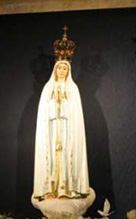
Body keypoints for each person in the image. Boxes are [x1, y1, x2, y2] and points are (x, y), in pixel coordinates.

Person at [32, 29, 90, 201]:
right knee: (50, 154)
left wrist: (63, 103)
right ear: (55, 70)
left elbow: (75, 114)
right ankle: (50, 189)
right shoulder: (47, 89)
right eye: (60, 68)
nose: (62, 71)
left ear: (68, 70)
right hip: (51, 128)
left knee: (66, 155)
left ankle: (67, 189)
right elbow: (44, 113)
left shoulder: (73, 89)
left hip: (67, 129)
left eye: (65, 68)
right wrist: (54, 103)